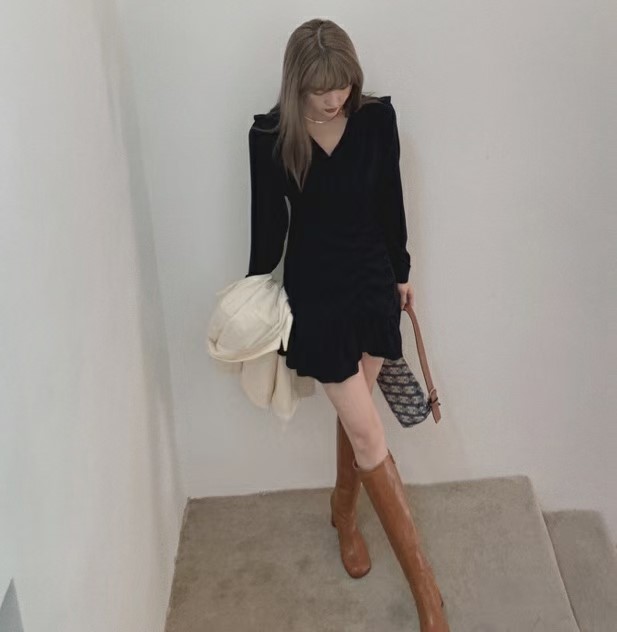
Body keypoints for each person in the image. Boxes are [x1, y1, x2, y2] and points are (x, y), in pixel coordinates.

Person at [245, 18, 450, 632]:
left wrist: (402, 272)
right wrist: (253, 297)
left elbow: (390, 201)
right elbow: (267, 231)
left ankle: (342, 509)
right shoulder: (270, 136)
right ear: (296, 85)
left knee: (358, 412)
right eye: (320, 90)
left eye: (342, 86)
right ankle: (428, 595)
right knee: (367, 432)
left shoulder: (377, 119)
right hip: (317, 293)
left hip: (371, 280)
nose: (334, 99)